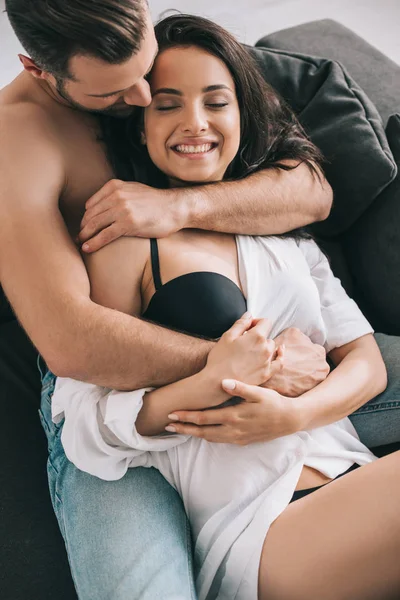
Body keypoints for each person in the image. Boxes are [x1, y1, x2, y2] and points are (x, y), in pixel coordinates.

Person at [0, 1, 397, 598]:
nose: (139, 93)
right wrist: (252, 366)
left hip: (314, 448)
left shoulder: (177, 59)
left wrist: (182, 206)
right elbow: (74, 347)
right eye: (118, 95)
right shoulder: (18, 143)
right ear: (38, 69)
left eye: (145, 68)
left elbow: (312, 190)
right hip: (111, 378)